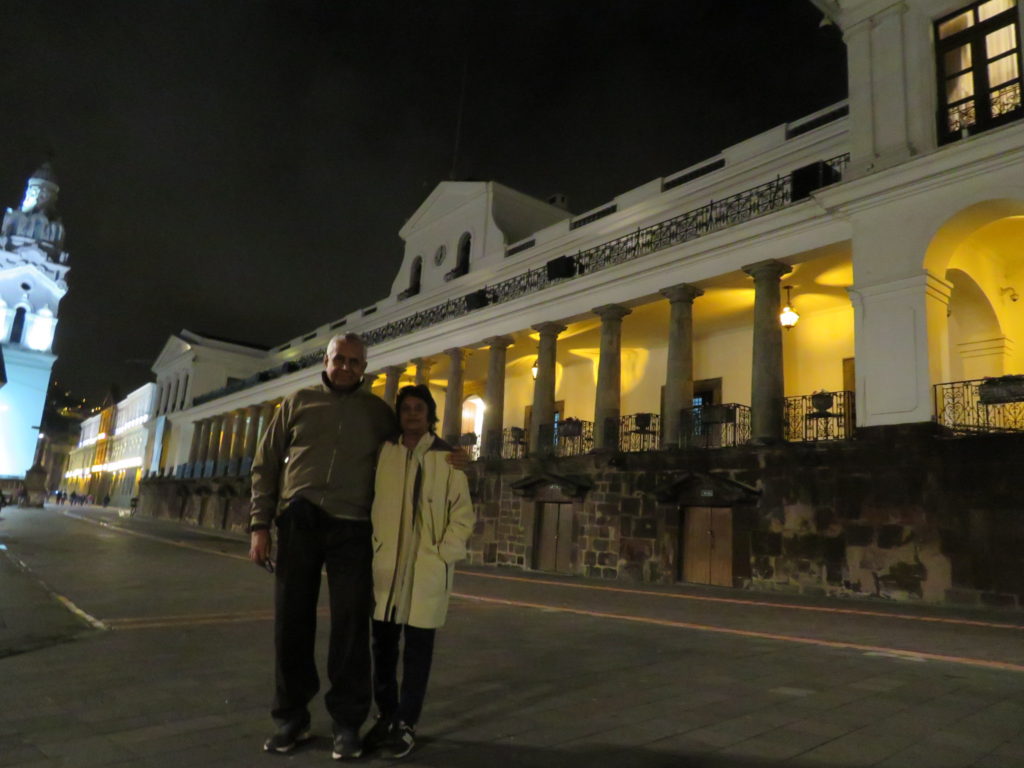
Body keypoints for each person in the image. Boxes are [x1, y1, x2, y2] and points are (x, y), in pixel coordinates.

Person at [248, 333, 398, 760]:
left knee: (351, 626)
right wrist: (260, 525)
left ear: (364, 368)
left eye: (355, 361)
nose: (346, 367)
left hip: (353, 525)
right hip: (300, 519)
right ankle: (290, 718)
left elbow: (412, 446)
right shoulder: (297, 402)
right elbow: (266, 463)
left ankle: (347, 723)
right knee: (291, 623)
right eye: (339, 359)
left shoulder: (378, 413)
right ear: (326, 361)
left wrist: (449, 452)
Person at [362, 385, 474, 759]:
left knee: (418, 653)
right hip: (386, 569)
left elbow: (462, 514)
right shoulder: (384, 453)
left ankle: (407, 722)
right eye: (406, 408)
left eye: (419, 408)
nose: (412, 414)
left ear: (430, 415)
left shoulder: (447, 458)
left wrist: (443, 554)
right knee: (382, 648)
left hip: (426, 570)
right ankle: (386, 715)